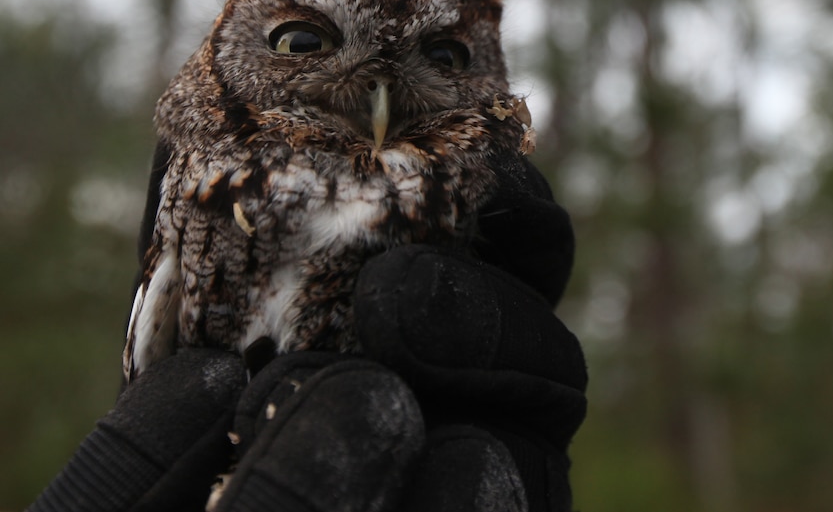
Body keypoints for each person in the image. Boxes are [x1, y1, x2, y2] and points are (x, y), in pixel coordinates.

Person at [30, 155, 587, 512]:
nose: (378, 95)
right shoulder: (201, 192)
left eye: (442, 56)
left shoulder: (463, 185)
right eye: (302, 43)